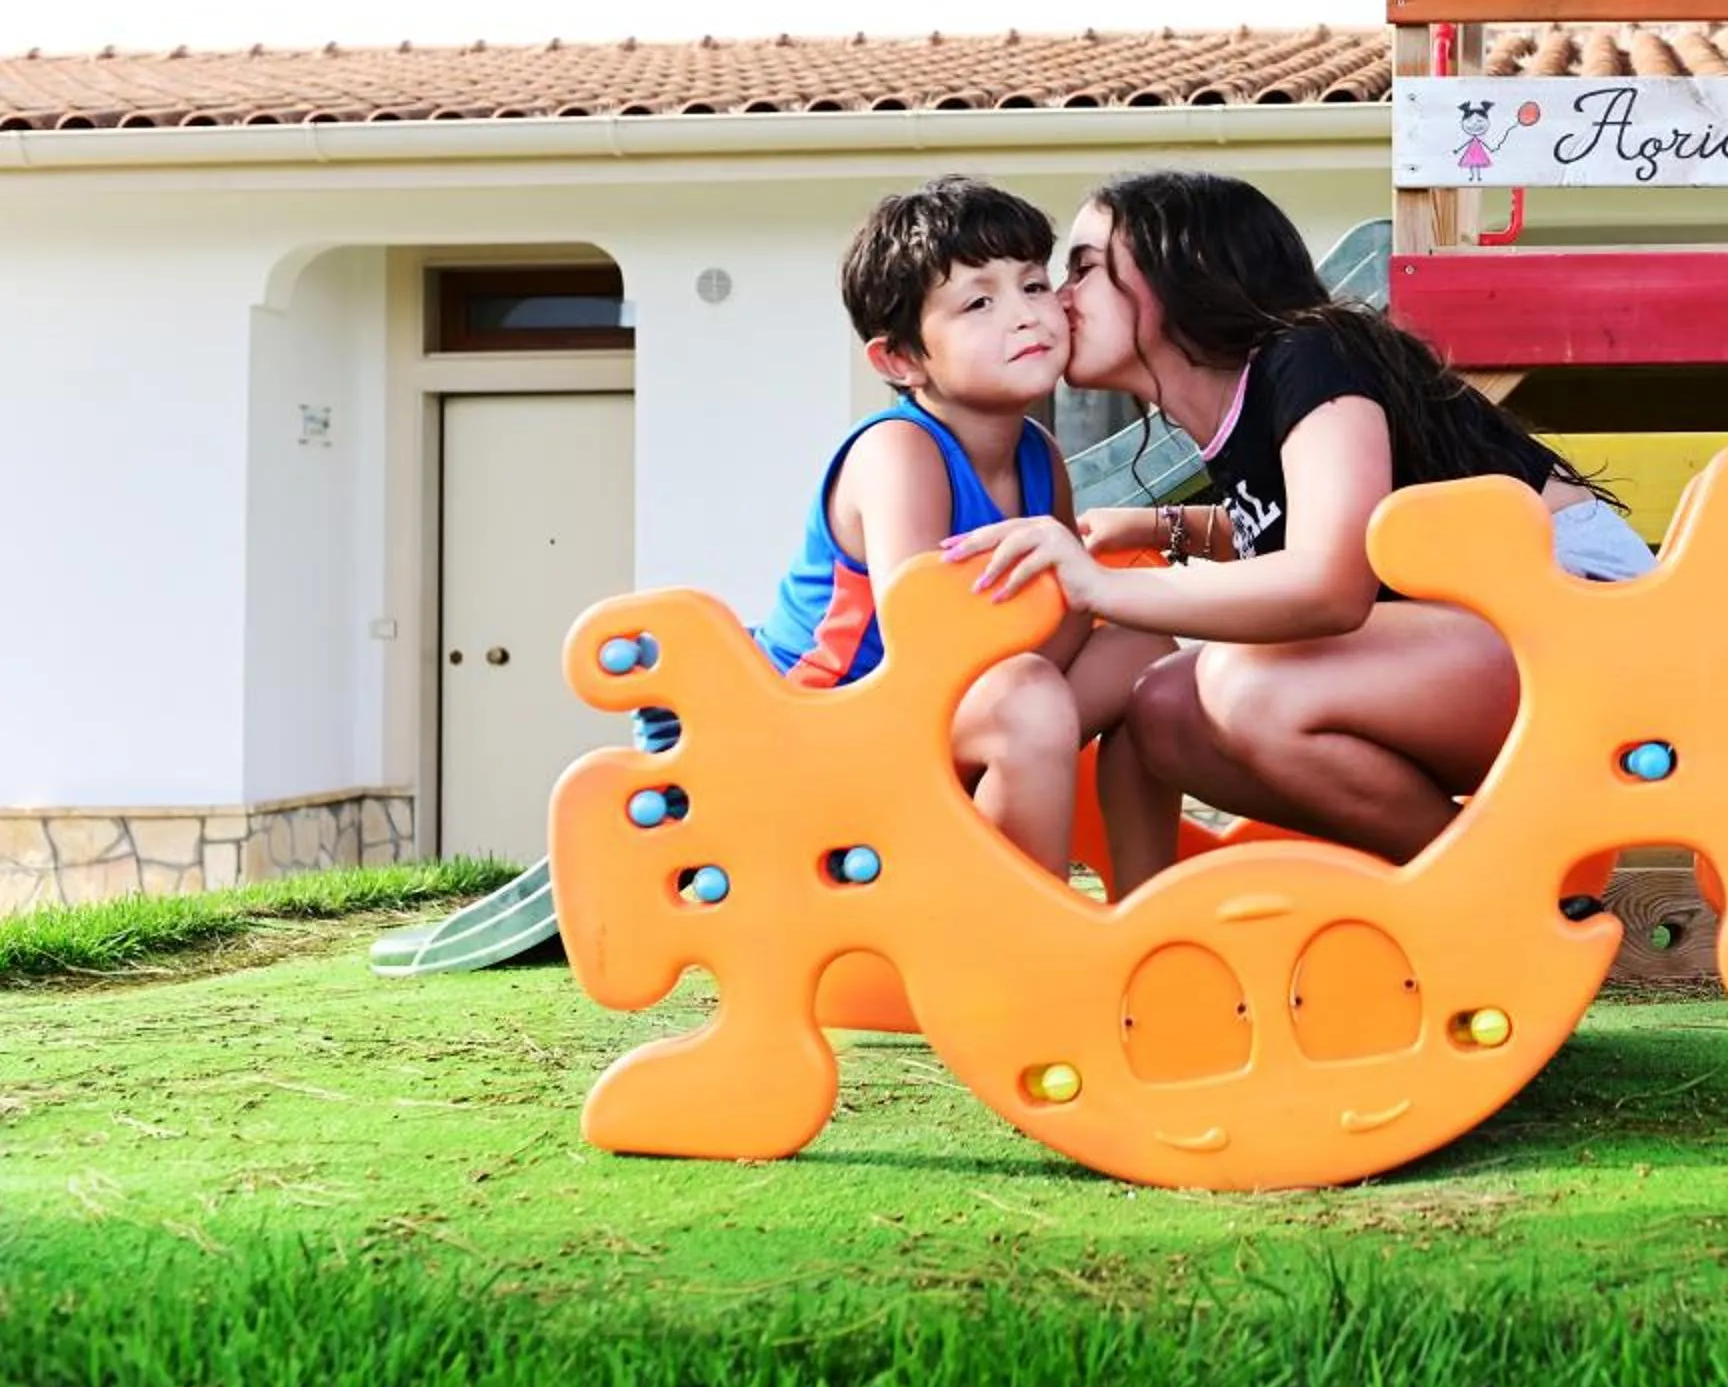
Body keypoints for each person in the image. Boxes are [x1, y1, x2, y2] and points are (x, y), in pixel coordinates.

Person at [938, 170, 1655, 897]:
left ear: (1182, 268)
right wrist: (1155, 527)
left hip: (1589, 637)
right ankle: (1139, 927)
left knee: (1247, 684)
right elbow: (1310, 527)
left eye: (1085, 268)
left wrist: (1102, 586)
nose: (1060, 299)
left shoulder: (1312, 355)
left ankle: (1500, 889)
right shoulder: (1236, 403)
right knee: (1157, 704)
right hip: (1485, 647)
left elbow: (1328, 583)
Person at [643, 174, 1173, 881]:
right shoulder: (899, 452)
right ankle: (1016, 923)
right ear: (900, 359)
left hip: (941, 712)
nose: (1025, 315)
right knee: (1026, 696)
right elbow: (927, 644)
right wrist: (1040, 673)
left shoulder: (1037, 454)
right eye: (979, 302)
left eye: (1033, 285)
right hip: (816, 732)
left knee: (1143, 652)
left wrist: (1051, 655)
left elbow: (1069, 609)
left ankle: (1144, 907)